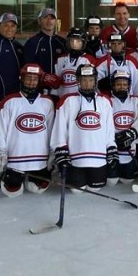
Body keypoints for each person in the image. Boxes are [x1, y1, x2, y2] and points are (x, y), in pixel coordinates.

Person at [0, 64, 55, 196]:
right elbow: (0, 130)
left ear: (39, 81)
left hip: (40, 160)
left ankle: (32, 175)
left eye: (35, 79)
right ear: (21, 79)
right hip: (15, 159)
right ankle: (14, 176)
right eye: (28, 78)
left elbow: (52, 130)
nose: (31, 82)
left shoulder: (47, 102)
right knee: (12, 192)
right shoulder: (9, 101)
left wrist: (52, 152)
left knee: (38, 189)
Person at [51, 64, 117, 192]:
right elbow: (60, 127)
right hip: (75, 157)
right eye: (84, 80)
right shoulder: (67, 100)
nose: (87, 83)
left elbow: (109, 129)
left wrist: (111, 147)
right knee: (77, 190)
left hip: (98, 157)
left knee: (95, 188)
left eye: (91, 80)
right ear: (79, 81)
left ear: (95, 81)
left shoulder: (104, 101)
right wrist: (60, 148)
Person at [108, 70, 138, 185]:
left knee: (128, 180)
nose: (122, 87)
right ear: (113, 85)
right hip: (112, 149)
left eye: (125, 84)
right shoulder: (106, 101)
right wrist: (113, 138)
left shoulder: (136, 101)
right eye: (118, 84)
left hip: (131, 148)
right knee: (111, 181)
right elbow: (104, 122)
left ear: (129, 85)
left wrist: (132, 134)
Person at [23, 7, 67, 94]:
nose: (49, 20)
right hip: (38, 90)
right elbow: (27, 65)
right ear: (39, 21)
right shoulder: (32, 42)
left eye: (52, 18)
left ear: (56, 21)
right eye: (46, 17)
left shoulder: (62, 42)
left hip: (60, 89)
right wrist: (44, 76)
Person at [53, 27, 97, 98]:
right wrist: (54, 95)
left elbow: (93, 82)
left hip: (81, 100)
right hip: (63, 99)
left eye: (78, 41)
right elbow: (56, 80)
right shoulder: (60, 59)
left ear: (83, 43)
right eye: (72, 41)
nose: (74, 44)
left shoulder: (89, 59)